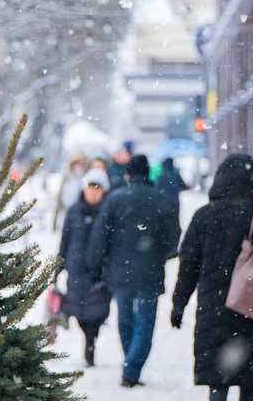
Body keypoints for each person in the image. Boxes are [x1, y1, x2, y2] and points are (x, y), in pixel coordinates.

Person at [171, 154, 253, 401]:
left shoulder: (203, 216)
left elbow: (188, 266)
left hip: (214, 311)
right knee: (249, 383)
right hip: (252, 309)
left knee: (218, 383)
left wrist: (179, 303)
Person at [87, 154, 181, 387]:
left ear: (127, 174)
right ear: (147, 173)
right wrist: (160, 255)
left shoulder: (114, 200)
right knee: (145, 322)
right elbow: (173, 238)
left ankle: (130, 363)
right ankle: (133, 366)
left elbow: (99, 237)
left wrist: (96, 266)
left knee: (125, 318)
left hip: (119, 272)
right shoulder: (161, 200)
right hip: (150, 271)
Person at [57, 168, 112, 367]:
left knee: (97, 313)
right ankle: (88, 342)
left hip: (99, 272)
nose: (93, 192)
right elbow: (65, 239)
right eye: (90, 188)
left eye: (98, 189)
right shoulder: (74, 210)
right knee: (79, 312)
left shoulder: (108, 211)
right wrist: (58, 265)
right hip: (77, 269)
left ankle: (91, 344)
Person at [53, 154, 88, 231]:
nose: (78, 167)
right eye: (76, 164)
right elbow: (61, 193)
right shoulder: (67, 177)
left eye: (80, 164)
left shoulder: (85, 178)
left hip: (78, 207)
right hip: (65, 205)